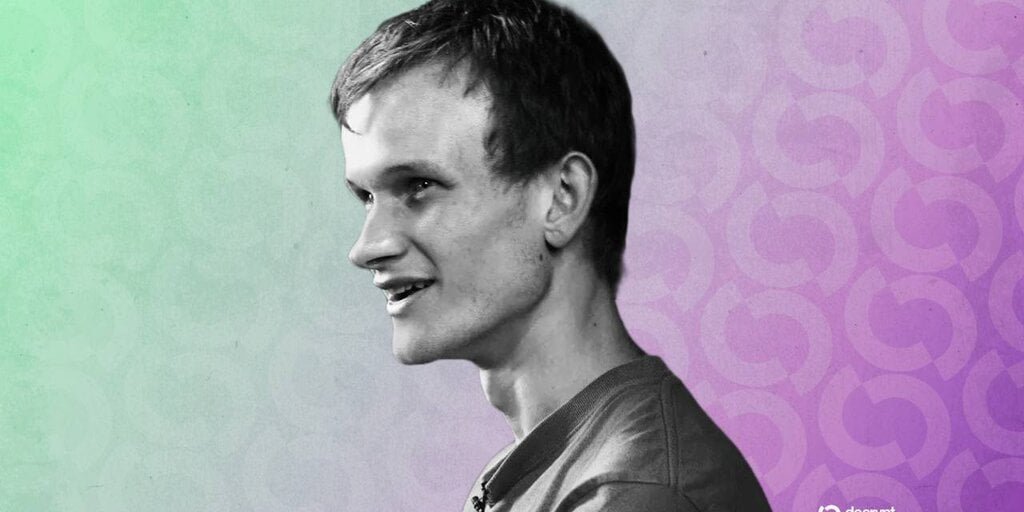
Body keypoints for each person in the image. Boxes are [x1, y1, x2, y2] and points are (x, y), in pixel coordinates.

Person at [329, 0, 771, 510]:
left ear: (563, 198)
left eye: (418, 185)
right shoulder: (554, 468)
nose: (367, 247)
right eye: (366, 197)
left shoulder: (635, 493)